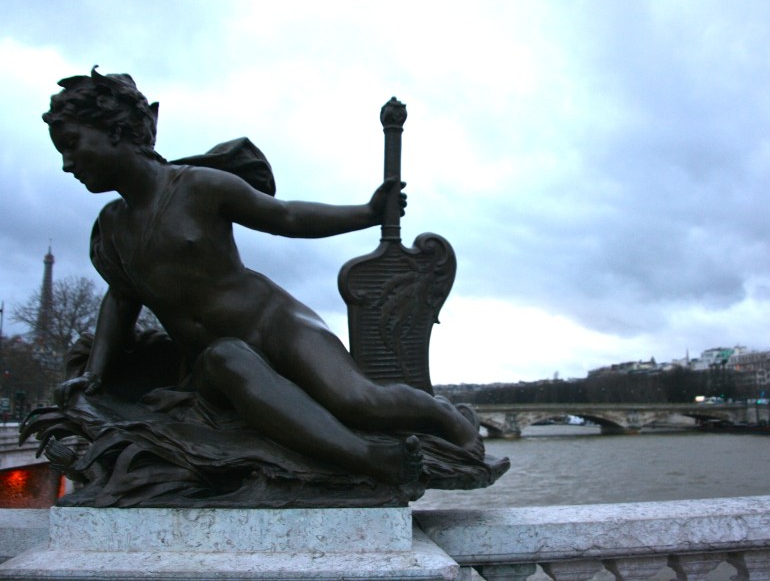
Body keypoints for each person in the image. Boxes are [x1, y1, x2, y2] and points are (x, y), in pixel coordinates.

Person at [43, 68, 479, 485]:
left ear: (116, 131)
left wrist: (367, 213)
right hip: (211, 361)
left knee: (359, 402)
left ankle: (448, 417)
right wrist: (95, 374)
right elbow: (121, 301)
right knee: (226, 357)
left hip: (276, 324)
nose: (66, 164)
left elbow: (286, 216)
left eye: (71, 145)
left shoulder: (199, 186)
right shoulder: (112, 227)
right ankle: (369, 458)